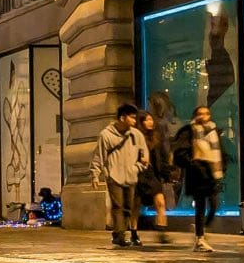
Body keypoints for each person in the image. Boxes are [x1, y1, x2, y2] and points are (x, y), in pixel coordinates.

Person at [95, 103, 148, 248]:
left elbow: (144, 155)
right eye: (131, 118)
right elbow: (99, 156)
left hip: (131, 176)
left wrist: (137, 167)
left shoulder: (136, 135)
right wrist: (95, 174)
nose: (134, 121)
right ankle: (120, 234)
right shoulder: (106, 135)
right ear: (122, 118)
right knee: (118, 206)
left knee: (128, 207)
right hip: (114, 175)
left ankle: (119, 234)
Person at [180, 104, 224, 252]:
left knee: (214, 204)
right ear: (195, 115)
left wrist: (221, 169)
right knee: (200, 206)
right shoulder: (189, 131)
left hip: (212, 174)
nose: (203, 116)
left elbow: (219, 152)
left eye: (206, 113)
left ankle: (202, 229)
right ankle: (200, 238)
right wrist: (195, 165)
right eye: (200, 113)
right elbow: (181, 152)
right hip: (197, 175)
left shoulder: (214, 131)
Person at [135, 111, 173, 245]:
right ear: (141, 122)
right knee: (136, 206)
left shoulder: (157, 137)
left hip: (152, 175)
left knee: (160, 202)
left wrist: (167, 173)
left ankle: (162, 231)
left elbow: (162, 157)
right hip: (139, 174)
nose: (150, 122)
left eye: (151, 119)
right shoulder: (135, 137)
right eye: (146, 120)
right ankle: (134, 232)